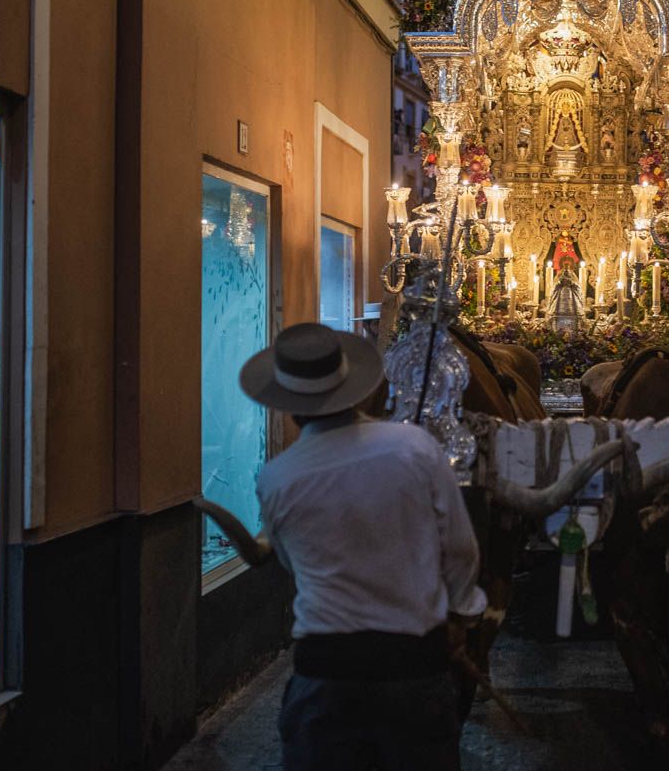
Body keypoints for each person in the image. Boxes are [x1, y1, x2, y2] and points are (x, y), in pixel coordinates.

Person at [195, 322, 486, 771]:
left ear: (290, 407)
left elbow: (292, 564)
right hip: (413, 666)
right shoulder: (415, 448)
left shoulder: (277, 478)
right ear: (353, 389)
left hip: (325, 676)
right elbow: (461, 549)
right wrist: (461, 618)